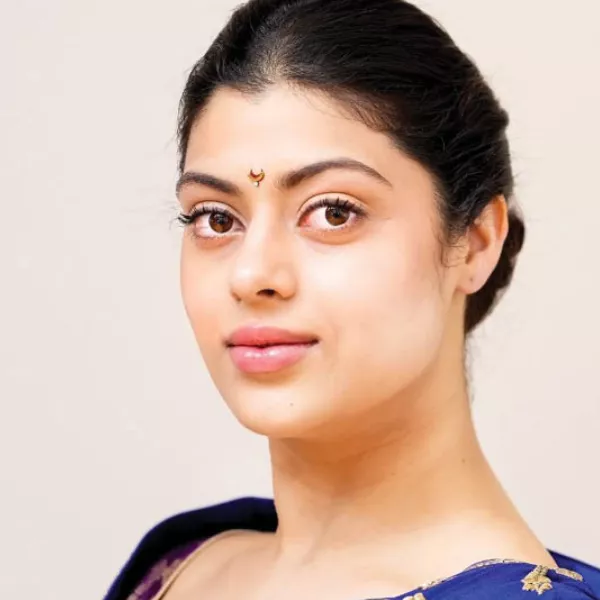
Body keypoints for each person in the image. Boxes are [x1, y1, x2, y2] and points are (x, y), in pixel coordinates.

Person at [103, 0, 600, 598]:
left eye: (334, 212)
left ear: (474, 241)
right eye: (216, 218)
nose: (252, 274)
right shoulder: (182, 564)